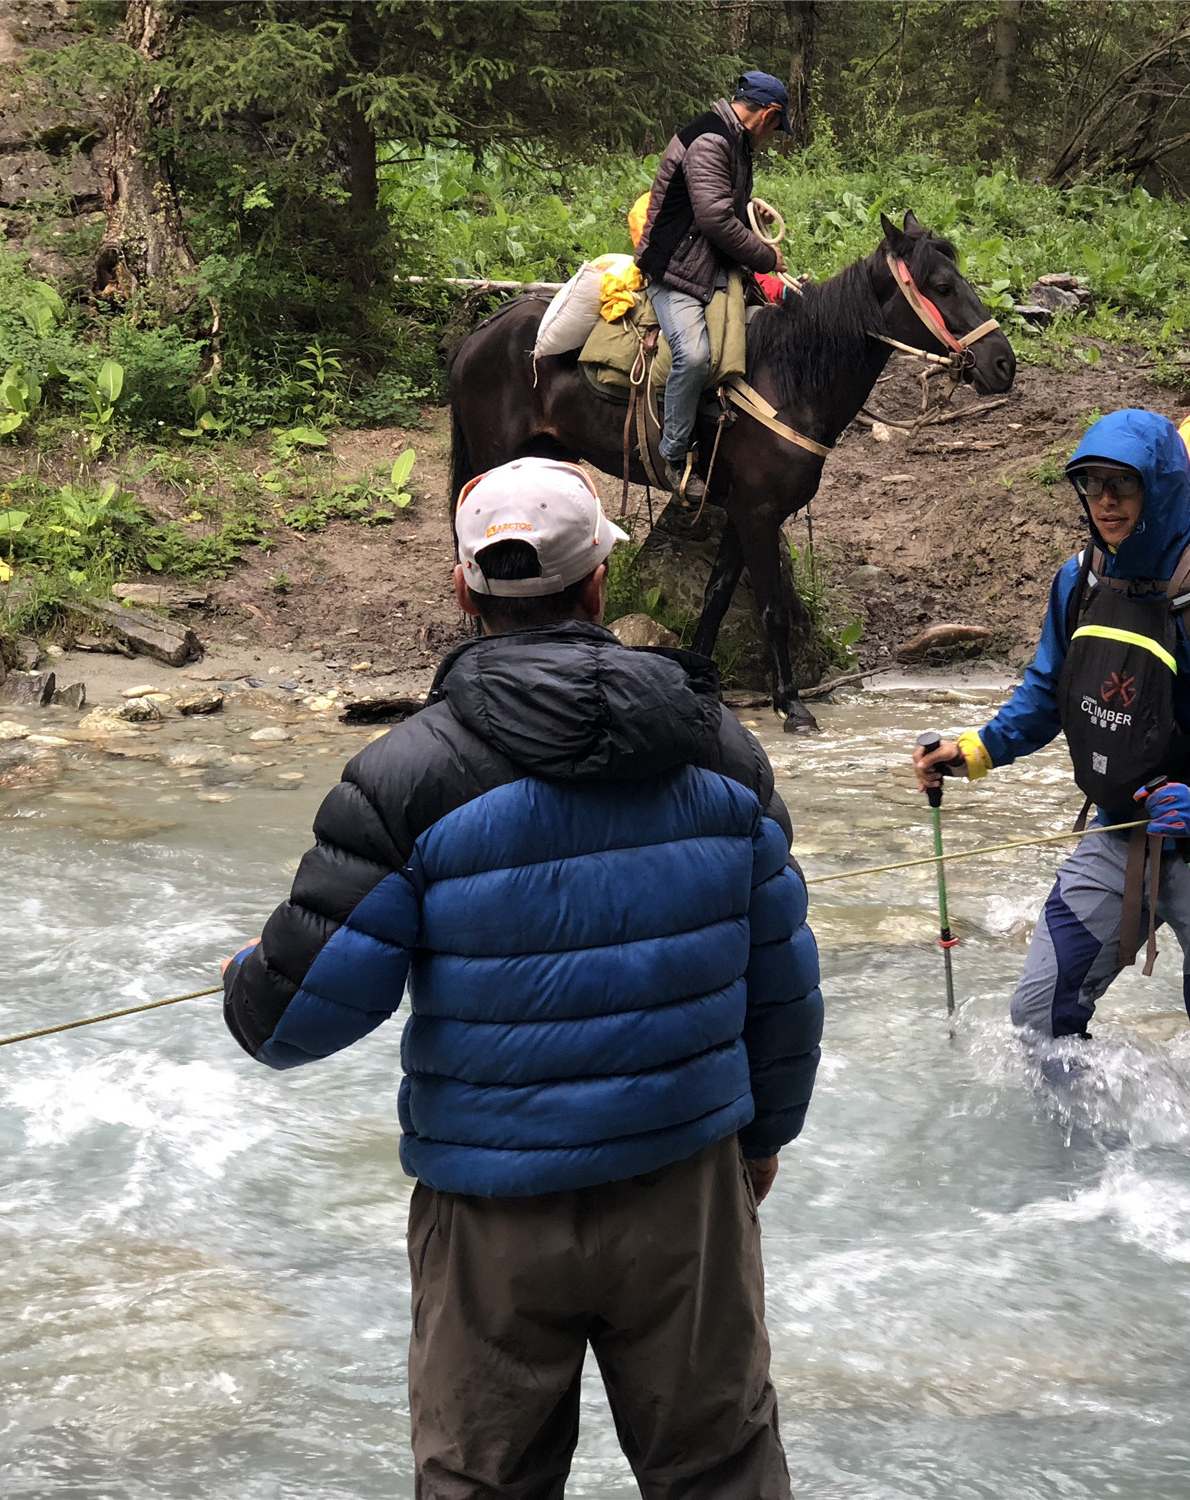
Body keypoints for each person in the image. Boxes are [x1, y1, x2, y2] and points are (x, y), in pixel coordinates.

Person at [221, 456, 823, 1499]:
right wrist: (762, 1140)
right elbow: (783, 980)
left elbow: (288, 1023)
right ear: (598, 585)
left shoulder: (404, 777)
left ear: (464, 592)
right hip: (686, 1186)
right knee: (722, 1472)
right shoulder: (720, 749)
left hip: (491, 1210)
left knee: (481, 1484)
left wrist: (245, 976)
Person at [911, 410, 1190, 1112]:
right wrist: (970, 753)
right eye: (1091, 486)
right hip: (1120, 832)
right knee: (1038, 1020)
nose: (1106, 502)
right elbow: (1045, 698)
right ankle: (1094, 1173)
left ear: (1163, 487)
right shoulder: (1080, 580)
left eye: (1124, 485)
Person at [636, 72, 792, 491]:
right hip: (674, 271)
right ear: (769, 115)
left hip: (705, 265)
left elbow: (726, 209)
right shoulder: (711, 140)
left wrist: (750, 223)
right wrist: (765, 255)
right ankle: (673, 454)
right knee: (694, 355)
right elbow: (713, 218)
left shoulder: (735, 142)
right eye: (777, 128)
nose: (773, 137)